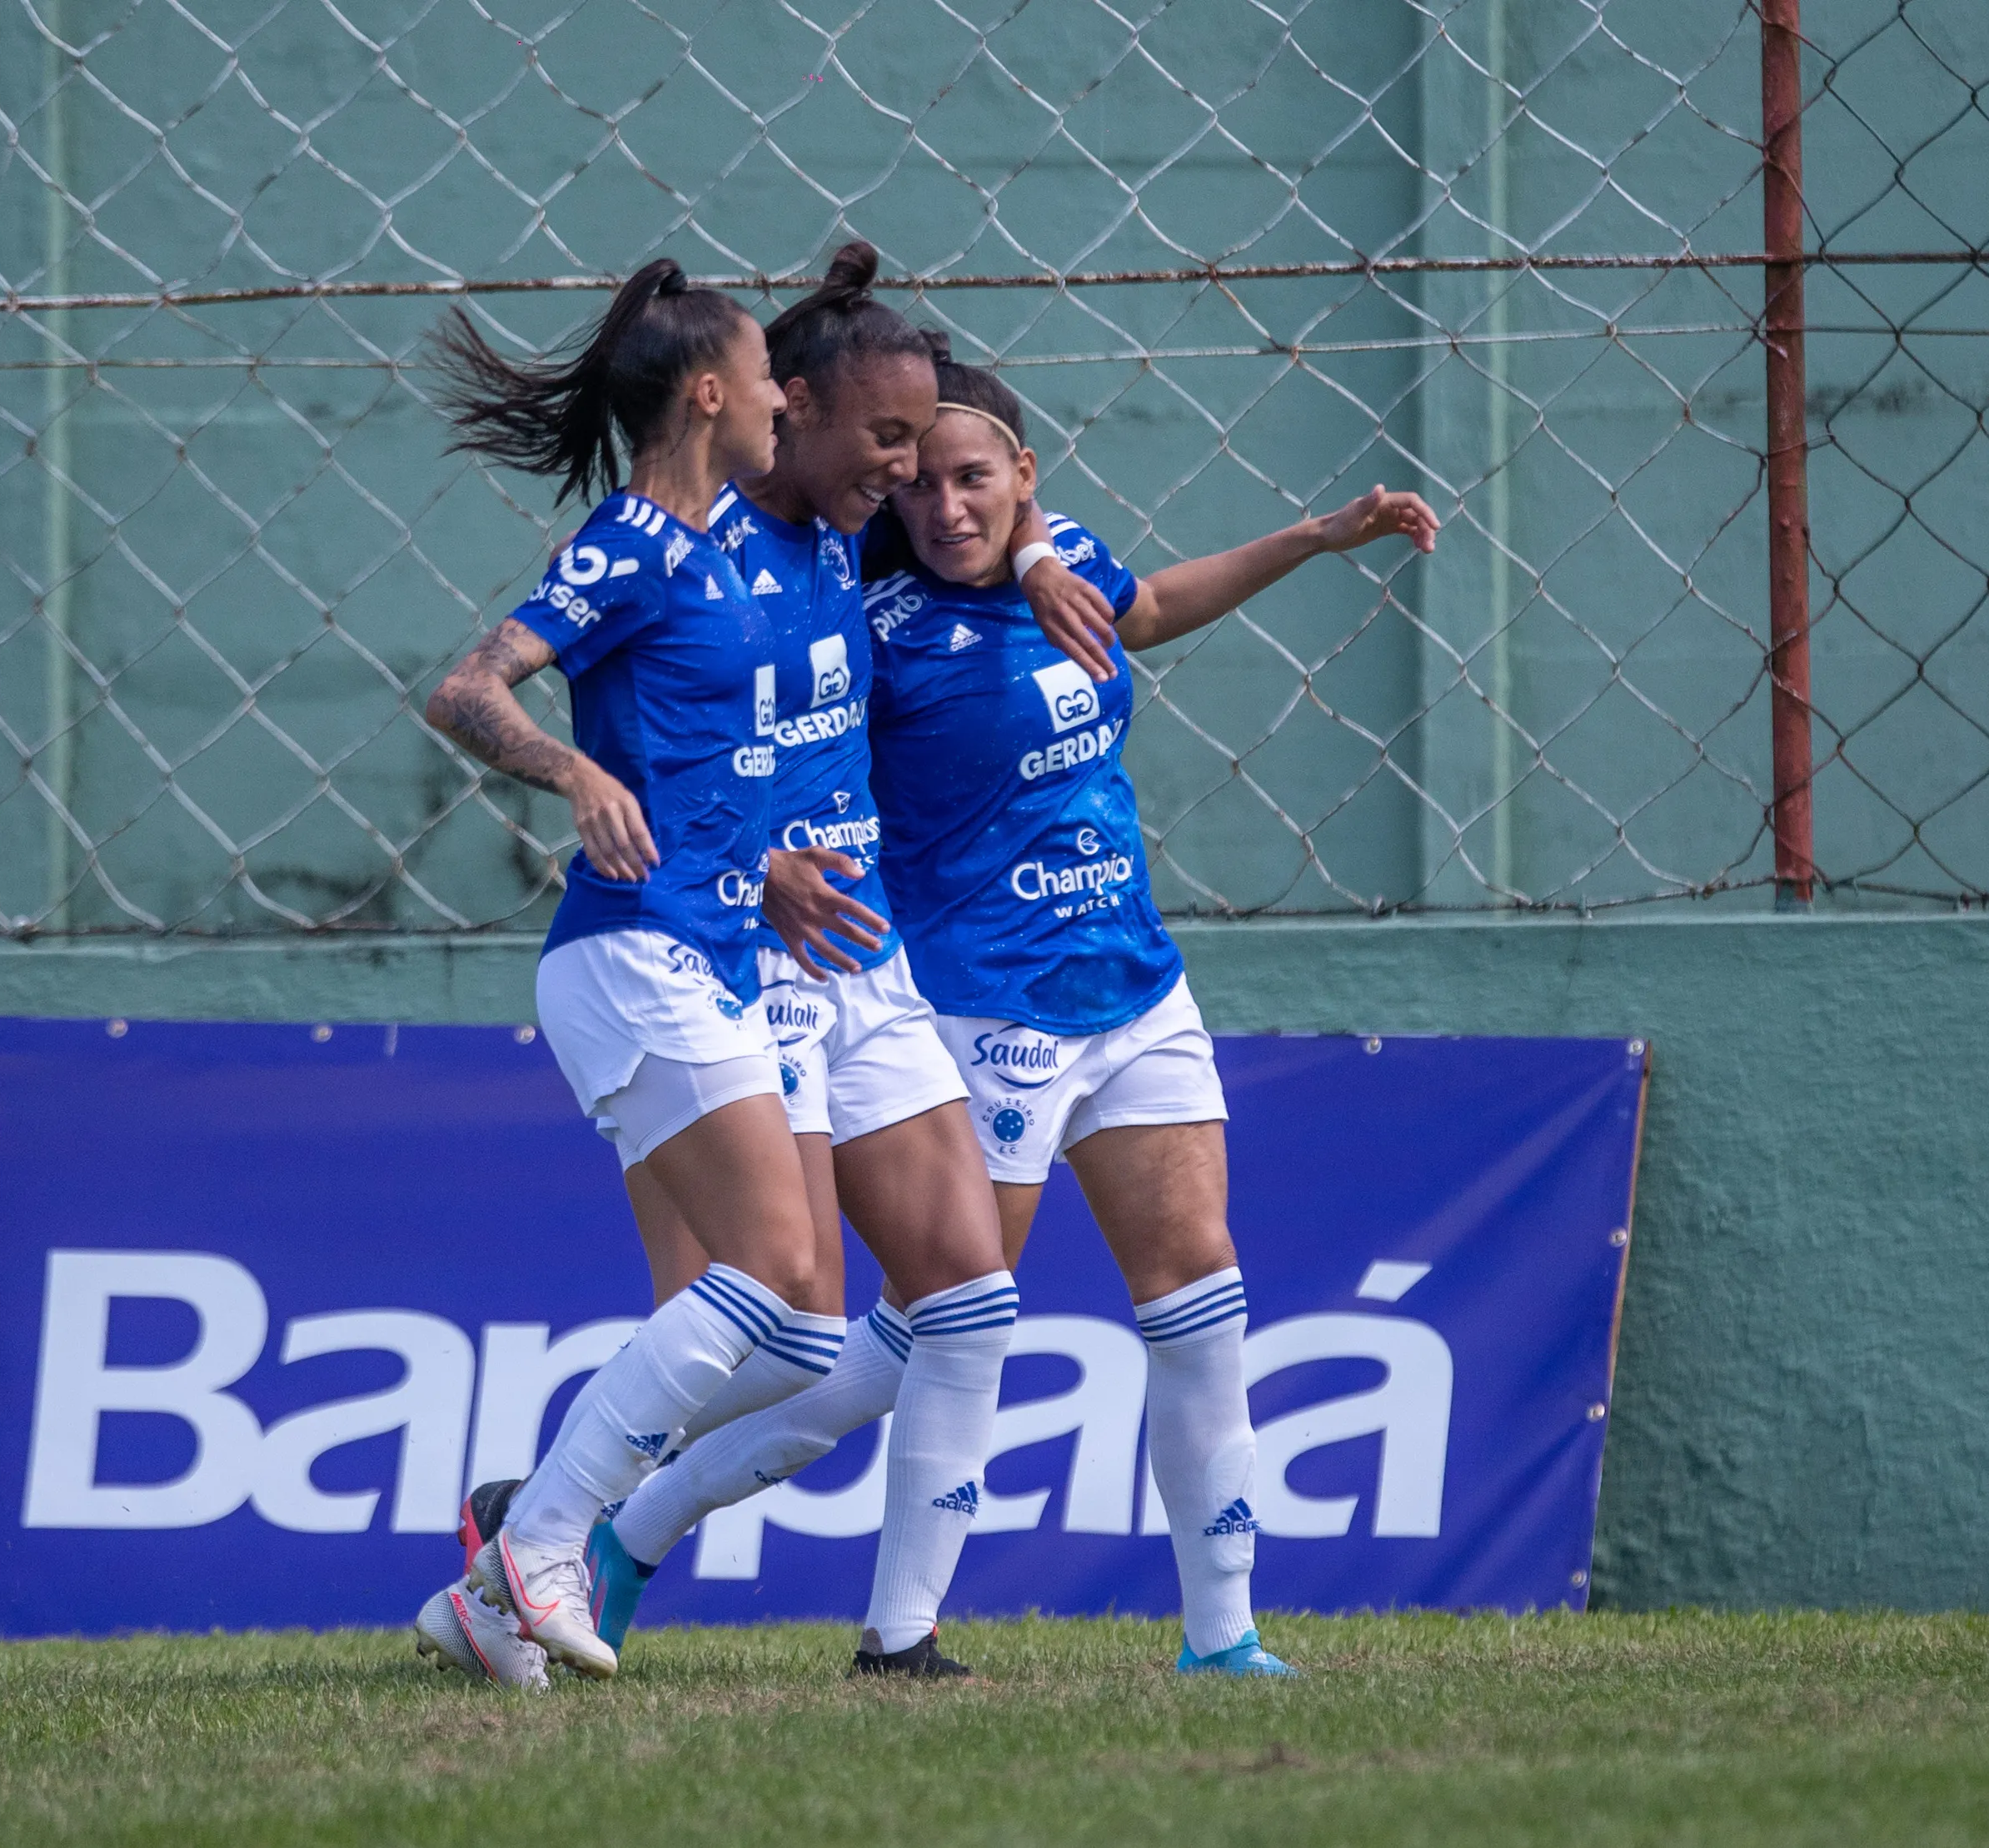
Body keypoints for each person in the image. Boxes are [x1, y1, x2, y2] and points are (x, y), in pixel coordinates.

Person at [538, 336, 1438, 1677]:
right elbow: (768, 728)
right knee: (919, 1330)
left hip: (1132, 983)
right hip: (977, 1006)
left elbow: (1145, 608)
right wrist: (757, 865)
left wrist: (1311, 538)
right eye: (912, 482)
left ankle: (1222, 1636)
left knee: (1200, 1294)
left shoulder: (1057, 551)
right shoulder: (874, 607)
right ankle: (655, 1531)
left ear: (1024, 472)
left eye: (970, 478)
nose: (939, 503)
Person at [437, 245, 1114, 1682]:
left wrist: (1043, 545)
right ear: (769, 408)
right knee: (776, 1303)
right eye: (887, 443)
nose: (917, 476)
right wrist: (732, 857)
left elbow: (985, 487)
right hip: (722, 954)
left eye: (926, 449)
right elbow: (506, 689)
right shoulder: (676, 540)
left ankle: (891, 1638)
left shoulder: (847, 523)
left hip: (850, 952)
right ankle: (550, 1535)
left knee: (955, 1299)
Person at [407, 260, 845, 1686]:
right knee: (776, 1278)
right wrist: (572, 765)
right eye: (766, 377)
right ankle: (543, 1539)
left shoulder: (714, 546)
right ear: (709, 394)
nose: (788, 395)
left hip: (704, 951)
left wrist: (760, 864)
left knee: (794, 1336)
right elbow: (468, 687)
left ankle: (495, 1572)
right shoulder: (638, 542)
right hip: (631, 953)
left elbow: (699, 752)